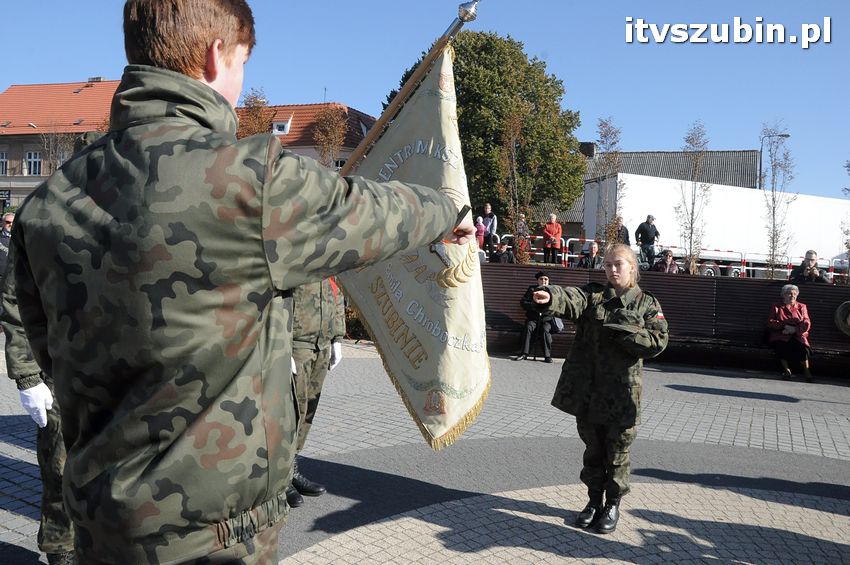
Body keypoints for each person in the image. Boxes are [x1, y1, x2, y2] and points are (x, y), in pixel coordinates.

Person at [3, 1, 475, 562]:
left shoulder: (47, 203)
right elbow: (374, 215)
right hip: (215, 537)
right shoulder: (250, 180)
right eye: (242, 63)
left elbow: (45, 344)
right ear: (213, 56)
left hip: (101, 522)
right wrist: (447, 210)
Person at [531, 243, 668, 534]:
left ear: (633, 267)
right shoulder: (594, 296)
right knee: (593, 451)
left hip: (622, 395)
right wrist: (550, 296)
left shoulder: (646, 303)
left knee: (617, 453)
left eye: (618, 264)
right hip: (589, 392)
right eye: (607, 265)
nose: (612, 270)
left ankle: (613, 504)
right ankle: (593, 501)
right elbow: (572, 299)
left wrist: (626, 333)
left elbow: (658, 341)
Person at [2, 243, 76, 565]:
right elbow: (17, 294)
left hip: (136, 377)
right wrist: (27, 375)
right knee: (60, 472)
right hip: (63, 371)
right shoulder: (46, 210)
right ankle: (63, 553)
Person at [286, 277, 345, 508]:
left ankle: (292, 469)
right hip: (297, 343)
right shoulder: (293, 246)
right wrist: (281, 342)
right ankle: (279, 482)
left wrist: (337, 336)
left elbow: (337, 290)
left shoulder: (328, 250)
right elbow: (276, 297)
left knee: (309, 410)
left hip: (322, 342)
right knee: (292, 411)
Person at [767, 284, 813, 382]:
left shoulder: (802, 306)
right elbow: (770, 322)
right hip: (781, 334)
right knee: (781, 346)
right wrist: (784, 326)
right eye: (789, 294)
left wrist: (795, 329)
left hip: (798, 334)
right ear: (783, 295)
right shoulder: (776, 306)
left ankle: (807, 371)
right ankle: (787, 370)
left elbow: (806, 321)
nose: (792, 296)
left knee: (803, 349)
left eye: (794, 294)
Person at [512, 271, 557, 363]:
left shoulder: (553, 290)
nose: (544, 281)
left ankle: (547, 356)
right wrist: (534, 305)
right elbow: (523, 302)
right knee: (528, 327)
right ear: (538, 281)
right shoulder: (532, 289)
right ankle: (524, 353)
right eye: (541, 279)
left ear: (548, 280)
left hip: (547, 320)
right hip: (533, 318)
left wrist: (546, 306)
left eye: (546, 279)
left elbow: (557, 304)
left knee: (545, 330)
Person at [0, 212, 13, 284]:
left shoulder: (22, 239)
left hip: (16, 280)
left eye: (13, 222)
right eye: (8, 222)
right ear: (2, 223)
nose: (11, 224)